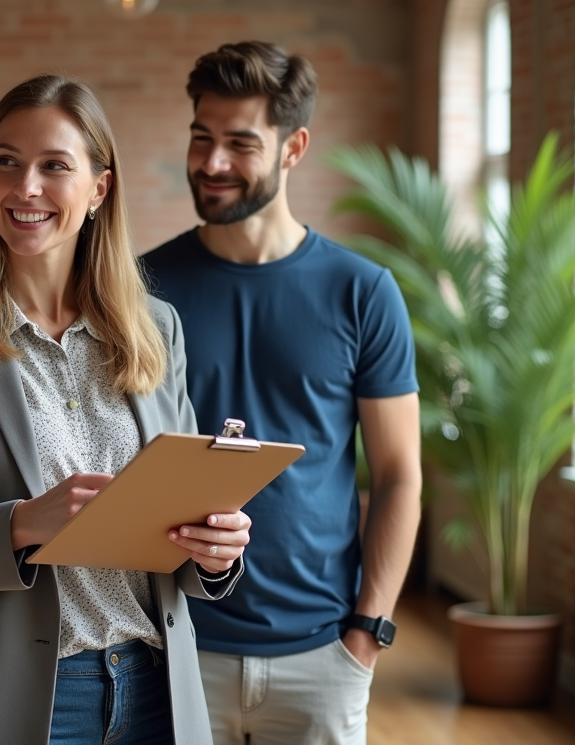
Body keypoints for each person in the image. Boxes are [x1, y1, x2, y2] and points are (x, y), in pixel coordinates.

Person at [0, 74, 253, 745]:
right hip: (22, 697)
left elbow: (185, 519)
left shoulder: (157, 329)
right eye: (6, 162)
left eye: (54, 166)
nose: (25, 187)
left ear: (99, 190)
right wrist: (20, 526)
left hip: (156, 687)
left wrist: (216, 552)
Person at [142, 42, 422, 745]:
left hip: (322, 656)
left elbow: (398, 477)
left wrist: (366, 634)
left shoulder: (363, 293)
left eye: (240, 143)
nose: (211, 163)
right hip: (178, 643)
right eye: (201, 137)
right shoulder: (140, 288)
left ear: (293, 147)